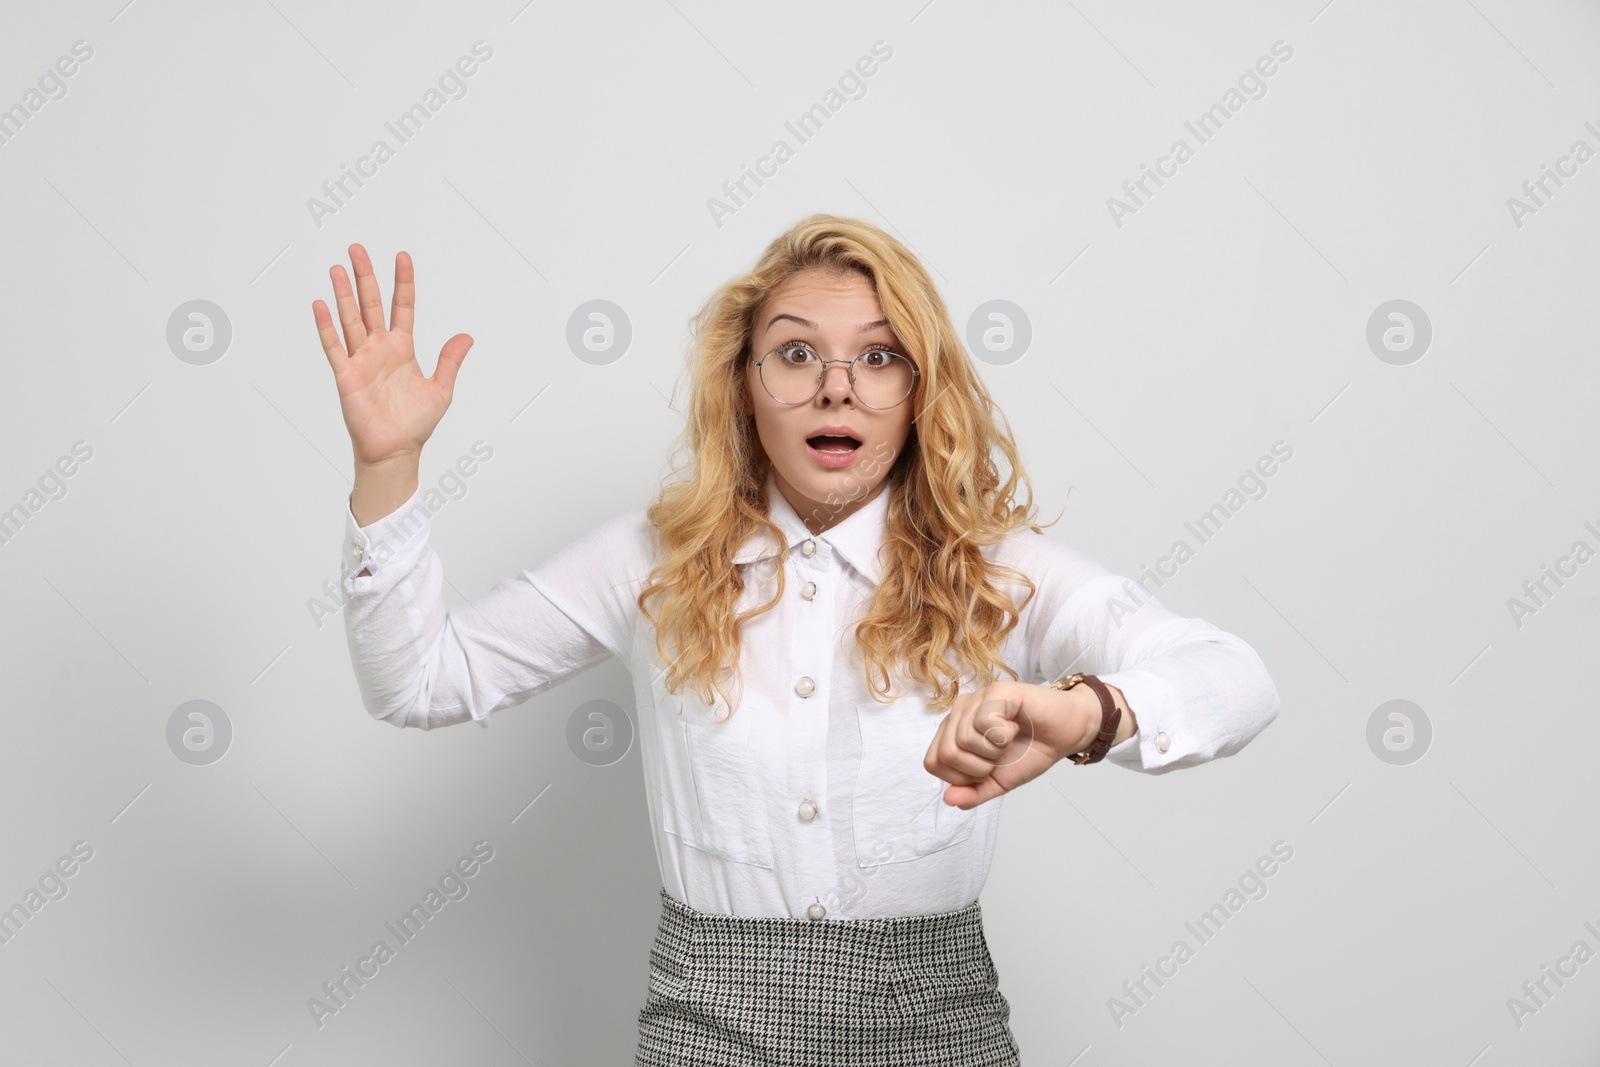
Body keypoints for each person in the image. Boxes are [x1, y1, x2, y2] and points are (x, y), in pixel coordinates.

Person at [310, 214, 1280, 1064]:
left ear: (918, 388)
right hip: (703, 1035)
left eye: (879, 355)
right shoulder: (652, 558)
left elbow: (1234, 678)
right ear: (744, 384)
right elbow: (422, 680)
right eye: (795, 352)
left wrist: (1083, 711)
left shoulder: (996, 570)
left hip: (941, 1033)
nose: (836, 389)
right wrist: (385, 468)